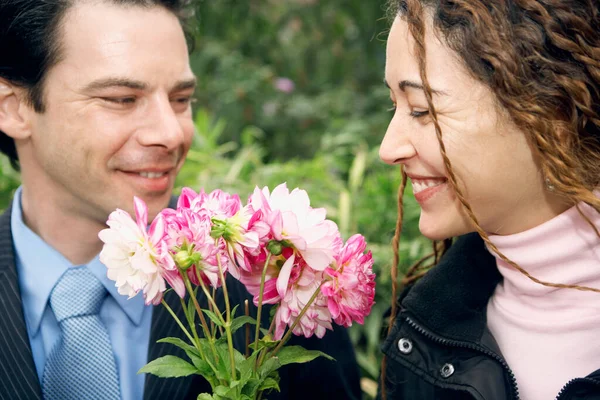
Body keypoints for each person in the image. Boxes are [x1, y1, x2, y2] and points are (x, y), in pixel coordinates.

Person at [0, 1, 361, 399]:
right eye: (122, 99)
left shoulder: (284, 295)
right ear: (13, 107)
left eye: (181, 99)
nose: (171, 133)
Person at [377, 0, 600, 399]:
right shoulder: (421, 336)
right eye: (394, 106)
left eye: (422, 110)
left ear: (551, 115)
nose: (388, 148)